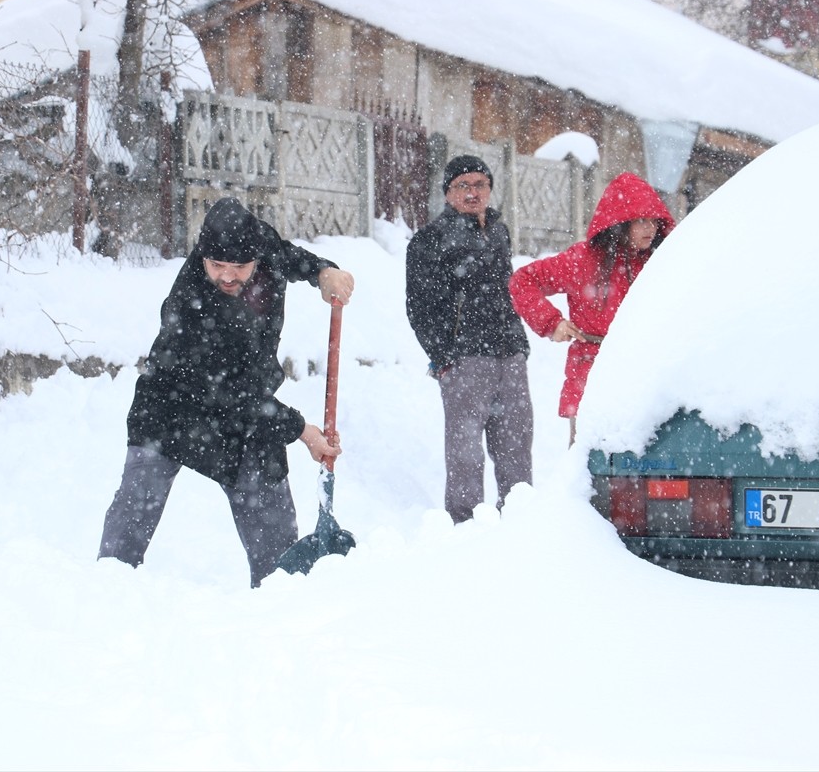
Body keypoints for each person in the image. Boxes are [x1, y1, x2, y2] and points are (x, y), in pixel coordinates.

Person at [98, 197, 355, 587]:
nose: (228, 276)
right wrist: (303, 432)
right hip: (171, 409)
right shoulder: (190, 307)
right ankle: (106, 590)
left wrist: (322, 272)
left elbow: (284, 254)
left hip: (245, 408)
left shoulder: (262, 244)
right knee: (137, 503)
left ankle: (279, 592)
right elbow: (238, 397)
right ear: (202, 254)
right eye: (217, 265)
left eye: (240, 267)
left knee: (270, 514)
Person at [405, 155, 534, 524]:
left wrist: (520, 345)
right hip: (465, 358)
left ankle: (519, 520)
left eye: (480, 185)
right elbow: (419, 308)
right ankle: (466, 528)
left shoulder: (499, 232)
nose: (473, 192)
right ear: (448, 194)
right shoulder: (430, 240)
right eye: (463, 186)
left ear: (491, 190)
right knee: (465, 453)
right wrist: (443, 356)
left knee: (516, 447)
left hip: (509, 352)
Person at [509, 172, 675, 445]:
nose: (650, 228)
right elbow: (523, 280)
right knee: (589, 471)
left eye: (654, 220)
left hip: (647, 376)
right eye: (641, 220)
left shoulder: (660, 262)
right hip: (592, 376)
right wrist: (552, 322)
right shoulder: (583, 260)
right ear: (621, 223)